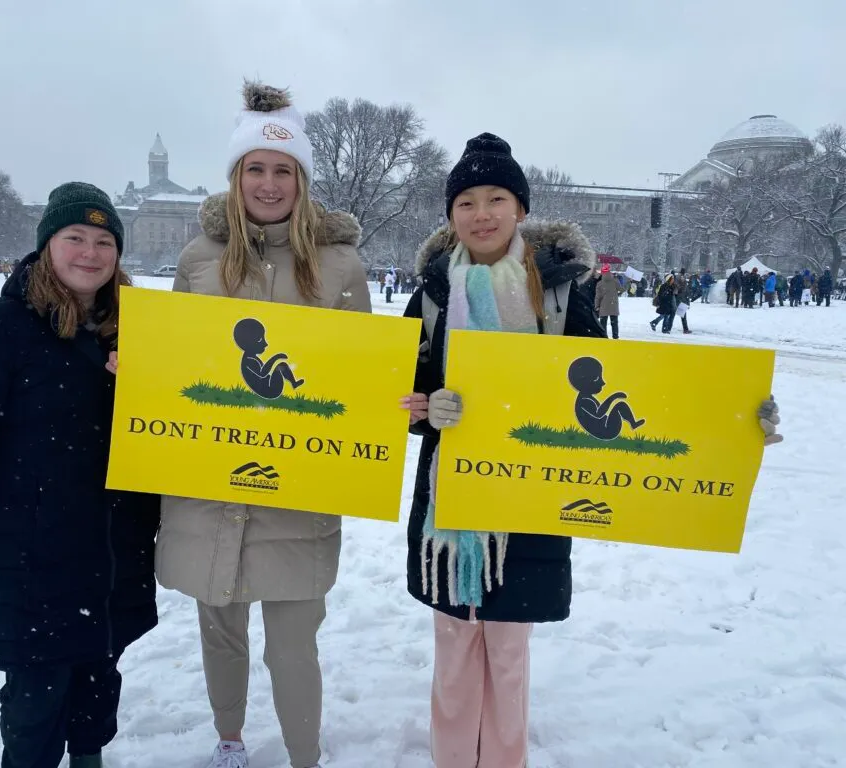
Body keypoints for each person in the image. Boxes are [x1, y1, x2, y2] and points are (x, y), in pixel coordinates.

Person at [399, 132, 786, 768]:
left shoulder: (558, 292)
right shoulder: (434, 294)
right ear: (450, 215)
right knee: (453, 643)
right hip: (451, 495)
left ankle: (503, 759)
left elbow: (622, 384)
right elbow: (405, 390)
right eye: (465, 201)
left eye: (497, 197)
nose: (481, 213)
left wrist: (738, 419)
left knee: (507, 647)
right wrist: (429, 407)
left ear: (521, 208)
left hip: (531, 490)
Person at [153, 82, 370, 768]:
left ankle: (304, 755)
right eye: (256, 168)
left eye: (283, 171)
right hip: (208, 487)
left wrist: (385, 399)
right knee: (219, 630)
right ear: (236, 176)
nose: (269, 183)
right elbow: (178, 365)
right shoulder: (197, 259)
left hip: (296, 486)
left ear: (300, 179)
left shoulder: (340, 266)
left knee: (292, 641)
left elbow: (359, 373)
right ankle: (229, 740)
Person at [0, 182, 161, 768]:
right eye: (75, 238)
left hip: (113, 549)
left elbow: (172, 431)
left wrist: (139, 379)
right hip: (30, 551)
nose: (90, 252)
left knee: (95, 694)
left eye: (104, 240)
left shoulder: (141, 331)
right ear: (46, 246)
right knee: (34, 709)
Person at [594, 263, 620, 338]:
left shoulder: (599, 283)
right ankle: (615, 337)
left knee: (603, 323)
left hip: (603, 306)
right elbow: (621, 289)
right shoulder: (615, 280)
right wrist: (628, 283)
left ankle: (603, 337)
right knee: (614, 323)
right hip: (613, 305)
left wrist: (596, 306)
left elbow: (598, 296)